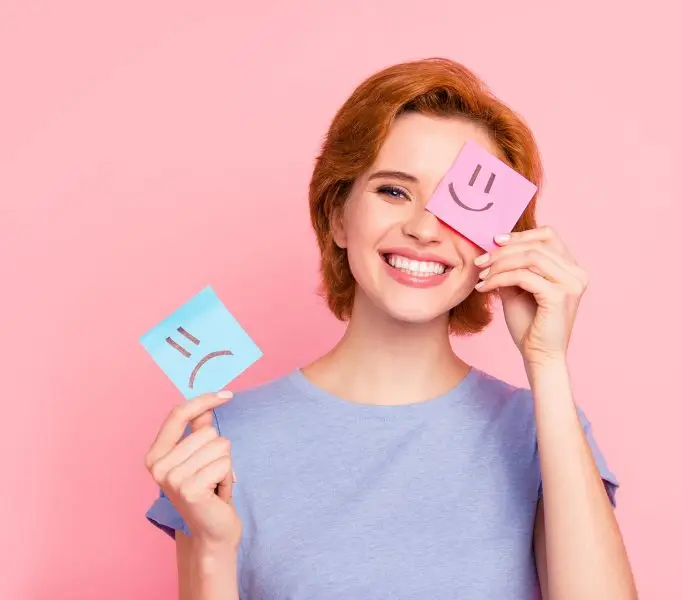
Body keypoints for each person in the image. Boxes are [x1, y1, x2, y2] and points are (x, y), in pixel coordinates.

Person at [144, 57, 637, 600]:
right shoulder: (224, 439)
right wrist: (212, 550)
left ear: (499, 240)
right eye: (394, 191)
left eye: (461, 204)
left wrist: (546, 363)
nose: (425, 229)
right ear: (337, 216)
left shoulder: (542, 428)